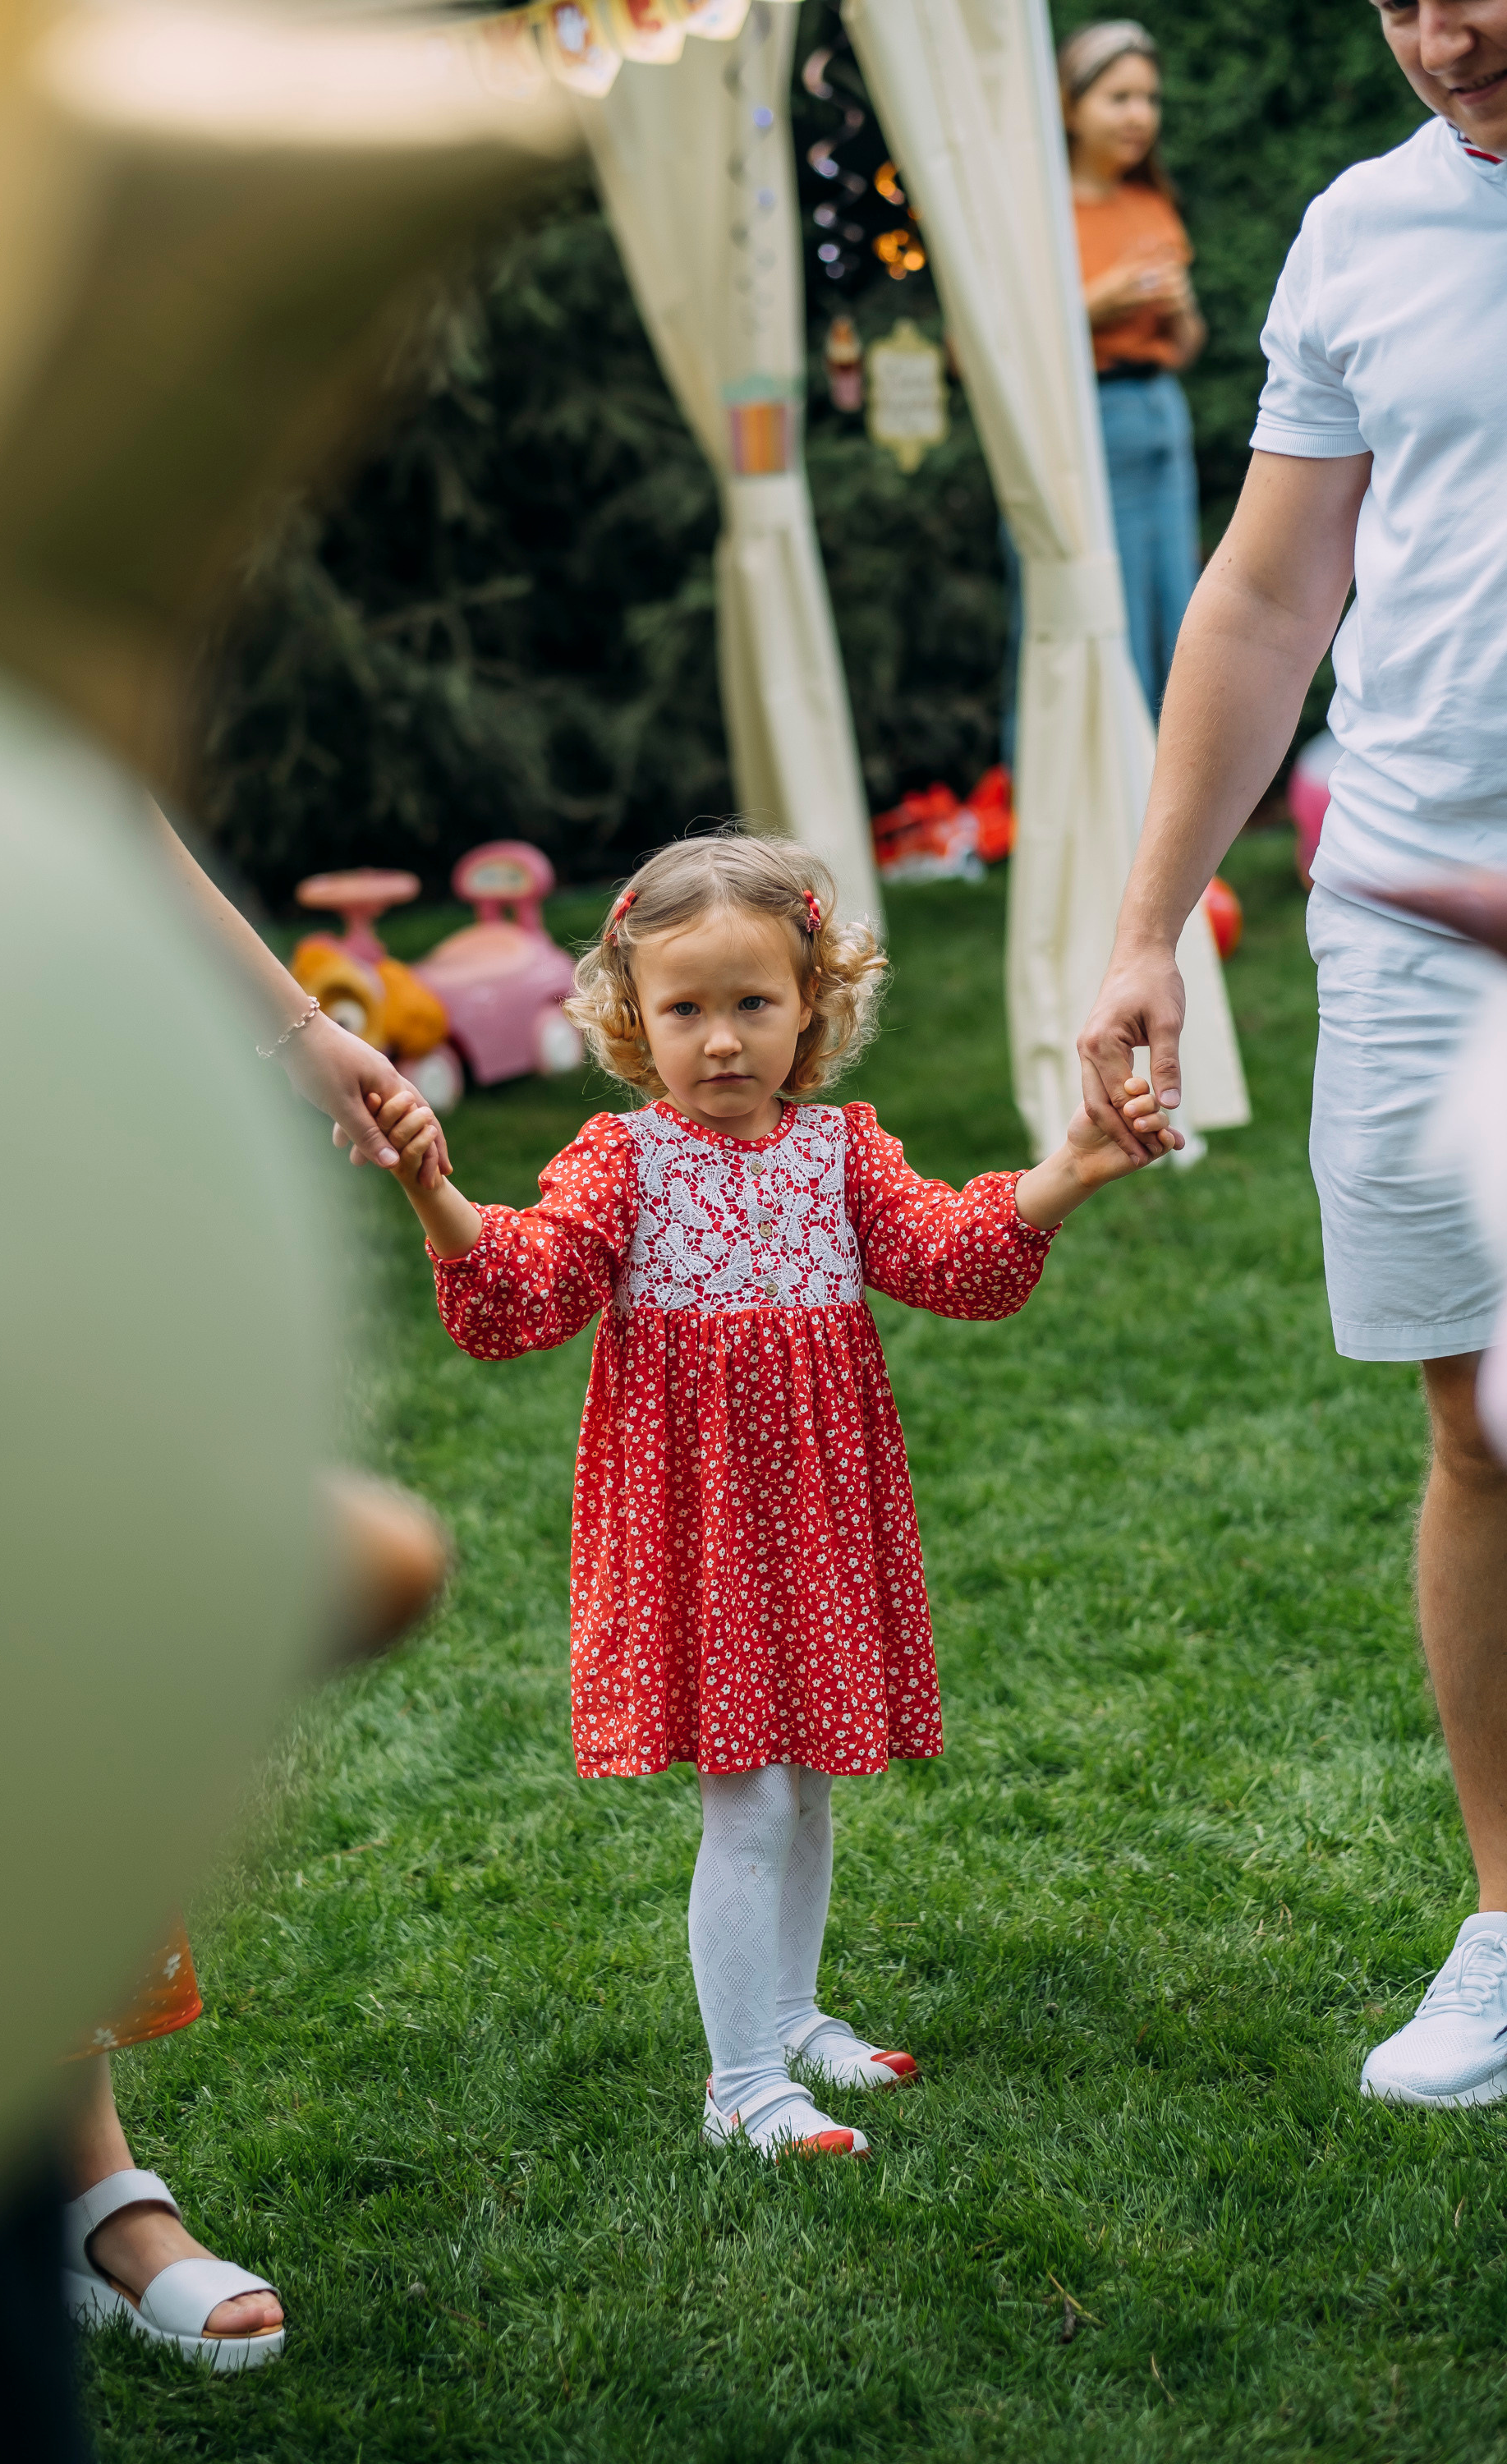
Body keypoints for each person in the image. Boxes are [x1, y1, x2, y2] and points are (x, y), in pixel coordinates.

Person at [370, 832, 1179, 2158]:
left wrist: (1071, 1171)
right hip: (699, 1534)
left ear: (813, 1005)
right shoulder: (621, 1160)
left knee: (804, 1785)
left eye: (754, 1003)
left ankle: (790, 2016)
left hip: (818, 1518)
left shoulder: (839, 1153)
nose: (725, 1039)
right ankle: (740, 2080)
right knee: (748, 1795)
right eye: (686, 1009)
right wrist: (434, 1191)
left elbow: (949, 1255)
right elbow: (523, 1292)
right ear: (636, 1019)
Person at [1076, 0, 1507, 2107]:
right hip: (1417, 903)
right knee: (1480, 1427)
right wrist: (1148, 925)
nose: (1448, 30)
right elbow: (1261, 598)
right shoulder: (1358, 229)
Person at [1001, 21, 1204, 760]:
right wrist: (1095, 305)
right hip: (1079, 427)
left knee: (1171, 608)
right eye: (1119, 97)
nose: (1138, 116)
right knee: (1092, 610)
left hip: (1158, 415)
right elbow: (986, 349)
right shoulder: (1035, 212)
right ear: (1069, 106)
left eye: (1149, 98)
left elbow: (1184, 348)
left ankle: (1162, 783)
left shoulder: (1150, 202)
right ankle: (1077, 781)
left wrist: (1177, 309)